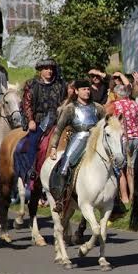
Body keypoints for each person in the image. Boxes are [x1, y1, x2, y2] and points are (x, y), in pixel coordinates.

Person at [48, 80, 106, 212]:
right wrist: (53, 147)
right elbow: (59, 128)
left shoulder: (98, 107)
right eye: (83, 89)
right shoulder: (70, 109)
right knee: (64, 167)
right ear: (76, 91)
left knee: (112, 164)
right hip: (77, 139)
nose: (87, 91)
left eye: (88, 89)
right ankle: (60, 200)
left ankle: (116, 200)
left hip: (95, 139)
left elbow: (106, 124)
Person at [15, 59, 67, 188]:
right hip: (39, 121)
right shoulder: (32, 84)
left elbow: (65, 100)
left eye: (51, 68)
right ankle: (31, 169)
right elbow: (26, 104)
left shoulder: (60, 85)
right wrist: (31, 120)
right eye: (46, 68)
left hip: (58, 119)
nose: (49, 71)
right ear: (40, 70)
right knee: (32, 141)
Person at [106, 84, 138, 204]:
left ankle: (124, 197)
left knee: (120, 169)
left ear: (116, 94)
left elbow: (105, 116)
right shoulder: (134, 103)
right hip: (136, 137)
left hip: (123, 138)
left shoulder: (115, 105)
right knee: (131, 168)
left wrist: (109, 100)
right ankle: (133, 195)